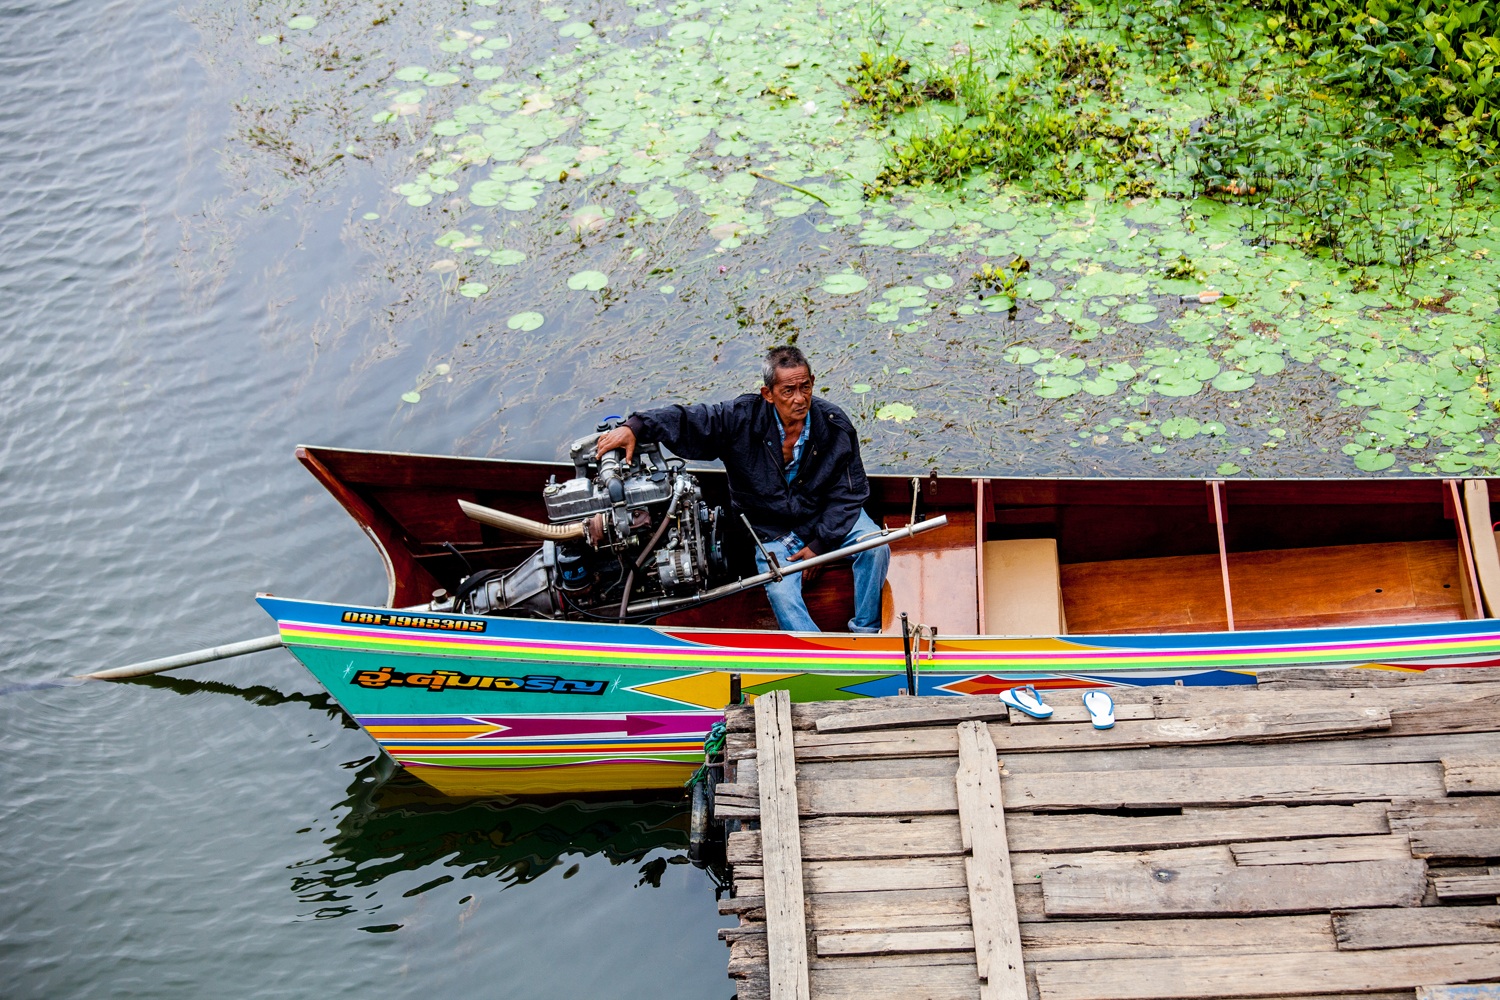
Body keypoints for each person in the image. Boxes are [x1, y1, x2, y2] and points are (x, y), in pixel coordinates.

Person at [594, 346, 889, 633]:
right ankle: (816, 655)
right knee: (782, 592)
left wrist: (820, 543)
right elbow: (690, 420)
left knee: (876, 547)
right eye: (788, 391)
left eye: (805, 387)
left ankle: (866, 632)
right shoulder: (740, 418)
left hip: (826, 517)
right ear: (768, 394)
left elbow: (848, 493)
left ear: (812, 382)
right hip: (772, 529)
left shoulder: (834, 424)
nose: (799, 399)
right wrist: (635, 426)